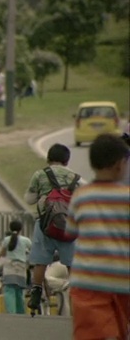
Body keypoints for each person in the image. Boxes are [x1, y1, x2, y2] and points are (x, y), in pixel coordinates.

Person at [65, 134, 129, 340]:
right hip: (122, 281)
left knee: (90, 333)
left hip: (87, 281)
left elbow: (71, 231)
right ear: (120, 164)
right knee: (120, 330)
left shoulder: (81, 196)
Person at [24, 143, 82, 312]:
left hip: (45, 225)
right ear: (67, 160)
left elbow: (29, 199)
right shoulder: (75, 179)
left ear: (48, 158)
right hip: (69, 228)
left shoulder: (40, 175)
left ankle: (36, 290)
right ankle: (76, 297)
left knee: (40, 261)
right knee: (72, 264)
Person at [0, 220, 32, 314]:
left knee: (9, 290)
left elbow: (1, 254)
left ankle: (11, 312)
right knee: (19, 291)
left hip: (9, 267)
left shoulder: (7, 240)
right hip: (21, 268)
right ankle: (21, 312)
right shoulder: (26, 240)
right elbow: (32, 252)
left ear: (10, 228)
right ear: (21, 229)